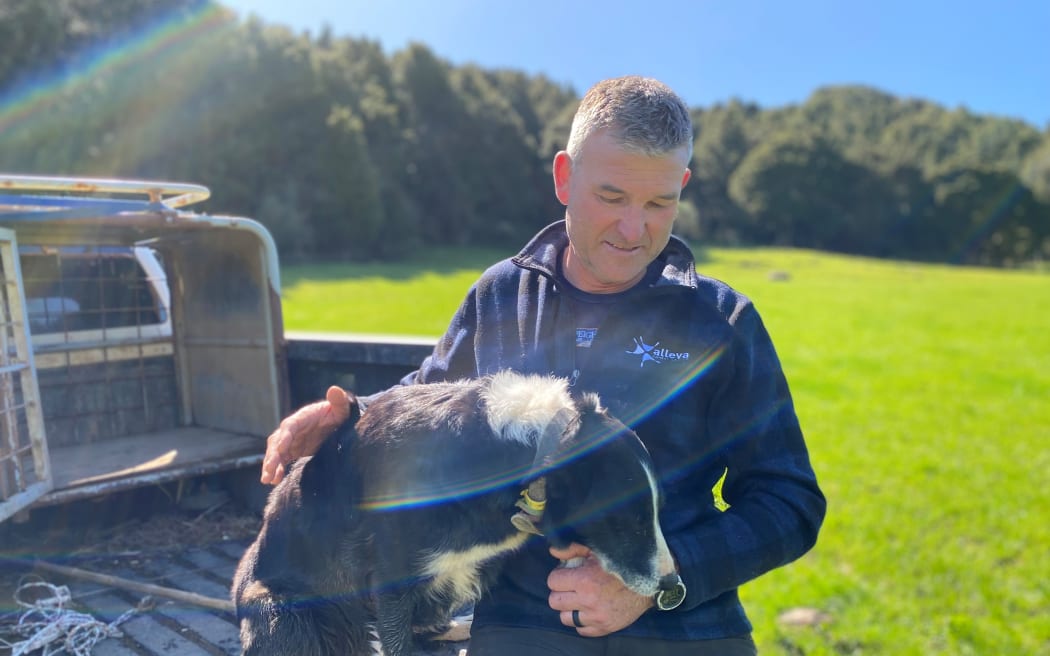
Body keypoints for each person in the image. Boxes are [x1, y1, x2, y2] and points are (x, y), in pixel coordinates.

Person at [260, 75, 826, 655]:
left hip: (685, 617)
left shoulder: (723, 321)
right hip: (526, 615)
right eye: (611, 197)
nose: (634, 231)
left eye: (659, 203)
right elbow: (428, 401)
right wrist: (348, 416)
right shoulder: (500, 294)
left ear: (682, 186)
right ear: (564, 177)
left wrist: (664, 579)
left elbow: (791, 500)